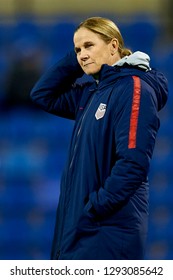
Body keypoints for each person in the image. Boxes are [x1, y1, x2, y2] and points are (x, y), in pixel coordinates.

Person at [30, 17, 168, 260]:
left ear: (113, 46)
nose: (82, 55)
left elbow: (133, 163)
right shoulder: (91, 93)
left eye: (89, 45)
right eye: (77, 50)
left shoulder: (134, 87)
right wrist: (79, 58)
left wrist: (94, 208)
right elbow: (42, 95)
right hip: (78, 232)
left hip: (106, 234)